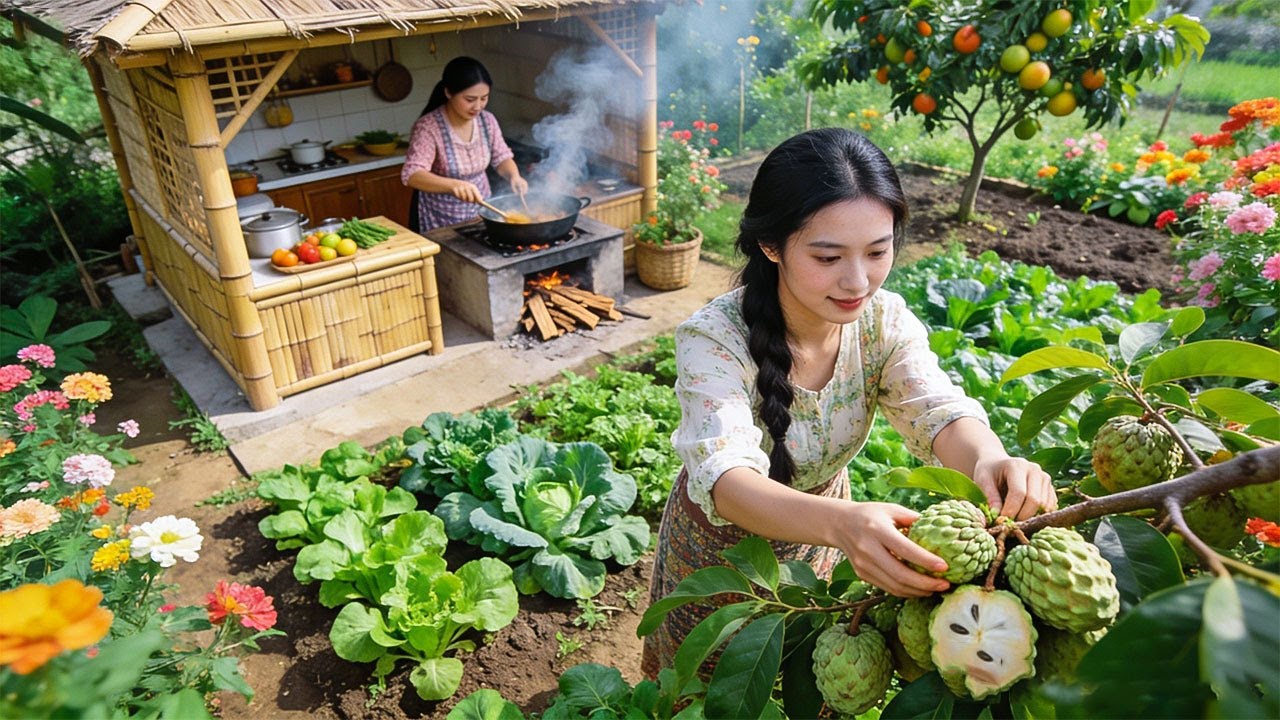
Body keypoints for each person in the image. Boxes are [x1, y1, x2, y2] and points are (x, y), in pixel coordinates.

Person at [640, 128, 1058, 678]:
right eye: (828, 255)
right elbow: (727, 478)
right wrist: (842, 525)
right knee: (713, 688)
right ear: (771, 245)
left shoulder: (883, 323)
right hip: (721, 553)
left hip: (826, 538)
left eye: (878, 251)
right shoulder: (715, 339)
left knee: (807, 677)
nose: (857, 280)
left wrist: (989, 461)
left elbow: (936, 407)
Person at [401, 56, 529, 232]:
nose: (478, 106)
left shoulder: (487, 121)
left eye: (484, 98)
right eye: (470, 99)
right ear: (448, 93)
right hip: (441, 219)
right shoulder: (428, 127)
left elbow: (502, 158)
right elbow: (412, 174)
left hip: (483, 213)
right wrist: (453, 185)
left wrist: (514, 176)